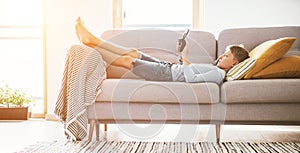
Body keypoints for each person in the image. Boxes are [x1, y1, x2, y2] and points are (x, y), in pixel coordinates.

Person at [75, 17, 249, 84]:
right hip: (168, 67)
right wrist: (181, 57)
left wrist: (186, 58)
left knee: (128, 61)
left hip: (166, 74)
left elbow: (192, 79)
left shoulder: (218, 75)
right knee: (133, 52)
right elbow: (187, 70)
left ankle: (91, 43)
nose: (221, 56)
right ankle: (93, 40)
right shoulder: (216, 68)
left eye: (226, 56)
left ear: (234, 63)